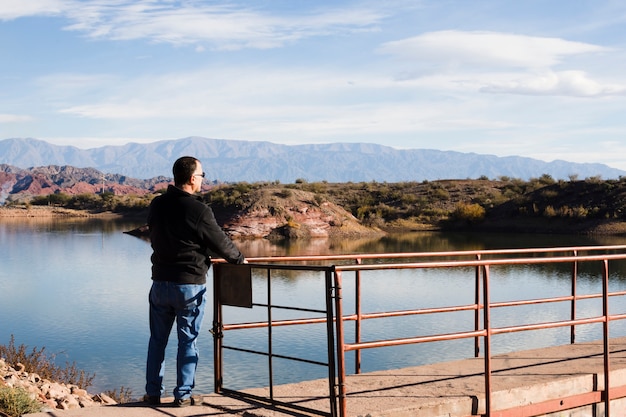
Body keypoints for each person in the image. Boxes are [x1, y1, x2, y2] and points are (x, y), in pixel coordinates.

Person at [144, 156, 245, 407]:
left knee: (157, 340)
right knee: (187, 340)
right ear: (191, 178)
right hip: (189, 286)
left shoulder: (157, 204)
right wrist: (239, 260)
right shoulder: (198, 209)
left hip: (159, 283)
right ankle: (183, 395)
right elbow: (221, 243)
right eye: (201, 176)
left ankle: (153, 394)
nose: (202, 180)